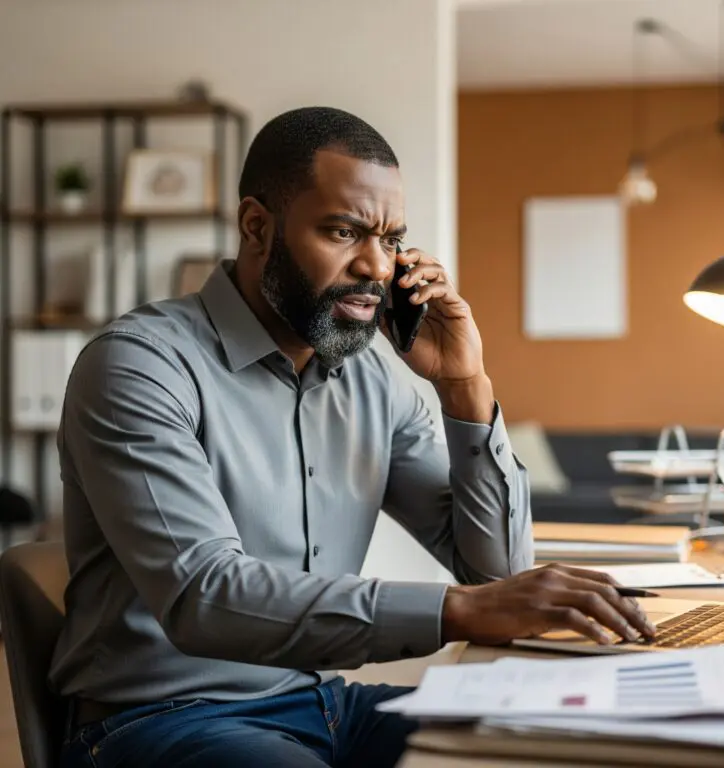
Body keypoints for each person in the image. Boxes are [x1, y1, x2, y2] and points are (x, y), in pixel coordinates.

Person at [51, 106, 655, 768]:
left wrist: (464, 384)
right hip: (160, 720)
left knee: (563, 751)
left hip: (322, 703)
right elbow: (206, 596)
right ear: (258, 227)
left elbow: (497, 574)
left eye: (392, 239)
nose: (377, 266)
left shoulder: (375, 378)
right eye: (344, 231)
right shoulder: (139, 365)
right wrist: (456, 611)